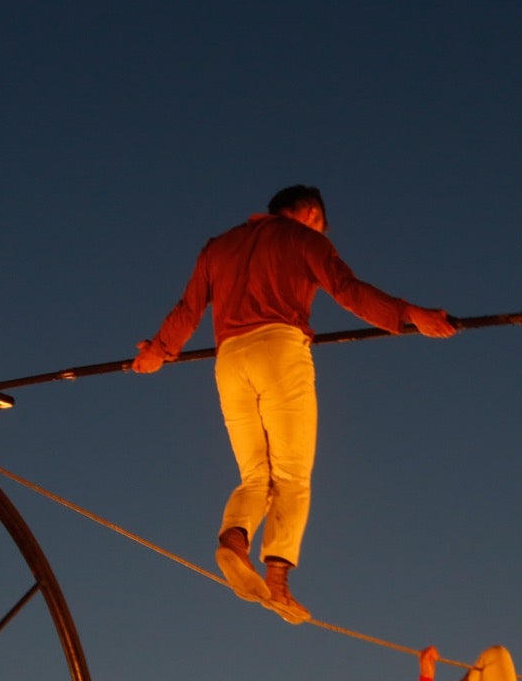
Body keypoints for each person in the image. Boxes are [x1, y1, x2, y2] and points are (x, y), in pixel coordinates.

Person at [131, 185, 456, 624]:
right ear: (308, 214)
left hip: (229, 360)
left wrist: (157, 350)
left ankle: (234, 541)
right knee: (292, 474)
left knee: (255, 475)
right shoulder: (304, 239)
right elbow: (347, 288)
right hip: (279, 349)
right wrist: (411, 313)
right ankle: (278, 580)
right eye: (321, 222)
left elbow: (188, 309)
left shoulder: (218, 247)